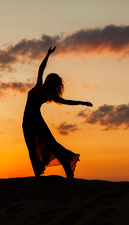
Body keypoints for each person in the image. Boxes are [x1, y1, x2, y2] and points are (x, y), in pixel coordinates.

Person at [22, 46, 93, 179]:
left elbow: (66, 101)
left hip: (37, 121)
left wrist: (82, 103)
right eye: (50, 78)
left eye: (53, 81)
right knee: (32, 147)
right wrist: (48, 54)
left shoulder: (48, 95)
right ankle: (38, 173)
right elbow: (41, 68)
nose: (50, 81)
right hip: (26, 122)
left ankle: (67, 165)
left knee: (51, 145)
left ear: (53, 84)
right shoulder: (38, 85)